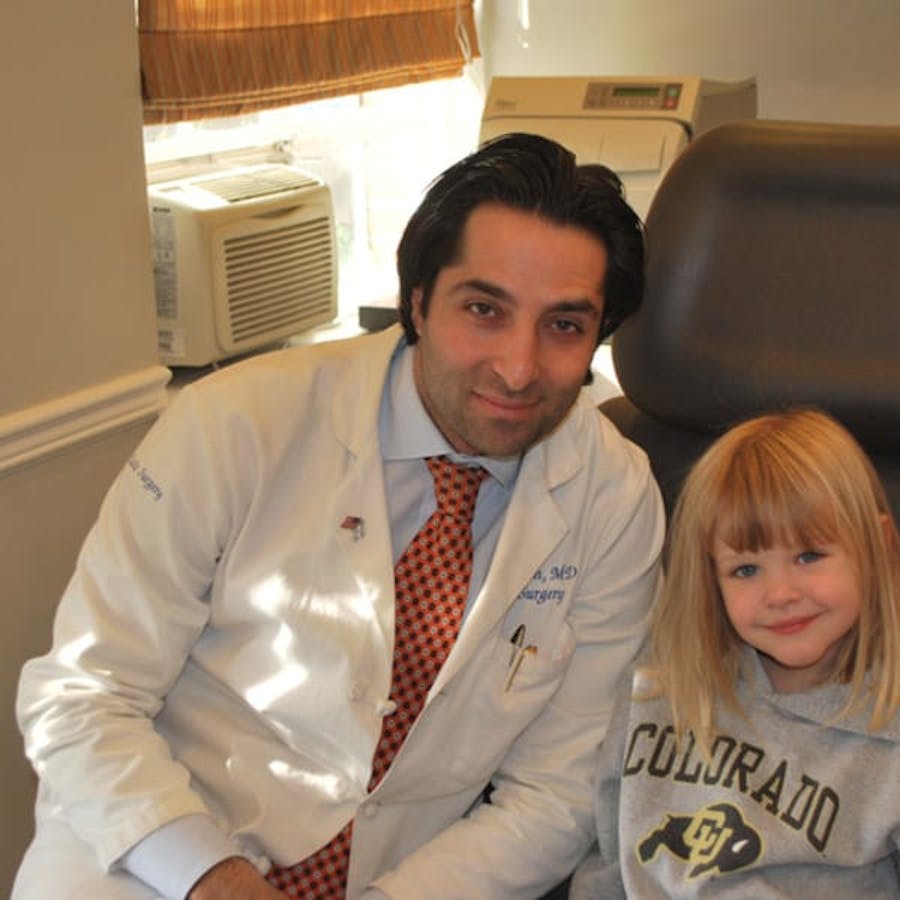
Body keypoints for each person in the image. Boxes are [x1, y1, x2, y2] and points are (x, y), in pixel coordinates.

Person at [13, 133, 664, 899]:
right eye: (484, 309)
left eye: (563, 325)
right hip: (153, 854)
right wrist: (209, 875)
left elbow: (555, 794)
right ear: (416, 302)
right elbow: (88, 693)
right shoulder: (236, 425)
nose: (518, 369)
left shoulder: (614, 498)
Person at [571, 408, 900, 899]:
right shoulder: (664, 682)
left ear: (880, 545)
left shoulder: (886, 730)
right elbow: (609, 859)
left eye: (808, 556)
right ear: (710, 577)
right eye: (745, 570)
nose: (781, 593)